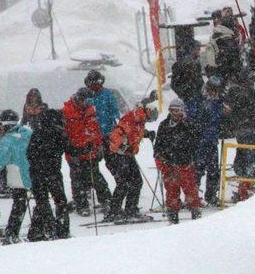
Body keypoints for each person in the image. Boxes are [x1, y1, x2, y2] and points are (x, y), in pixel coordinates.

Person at [104, 100, 158, 221]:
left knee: (136, 181)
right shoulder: (133, 118)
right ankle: (115, 211)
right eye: (150, 119)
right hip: (117, 155)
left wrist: (146, 133)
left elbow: (134, 132)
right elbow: (115, 135)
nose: (149, 122)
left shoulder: (139, 119)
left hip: (127, 154)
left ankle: (130, 209)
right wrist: (123, 147)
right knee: (124, 183)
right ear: (148, 113)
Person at [63, 87, 112, 216]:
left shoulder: (91, 110)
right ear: (79, 99)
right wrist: (70, 149)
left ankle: (106, 200)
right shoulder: (67, 111)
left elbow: (96, 130)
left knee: (96, 176)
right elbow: (63, 134)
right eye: (86, 101)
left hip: (90, 151)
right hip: (74, 152)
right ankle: (82, 204)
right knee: (77, 179)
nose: (88, 104)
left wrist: (99, 146)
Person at [154, 99, 202, 223]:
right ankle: (173, 219)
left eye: (178, 110)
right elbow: (158, 144)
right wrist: (158, 157)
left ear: (182, 111)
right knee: (171, 193)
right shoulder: (164, 125)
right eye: (172, 110)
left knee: (191, 191)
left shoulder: (188, 124)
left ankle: (196, 217)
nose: (175, 113)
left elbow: (197, 139)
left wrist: (187, 124)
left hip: (185, 163)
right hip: (169, 164)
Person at [26, 109, 69, 241]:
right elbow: (69, 149)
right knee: (60, 201)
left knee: (42, 202)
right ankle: (60, 230)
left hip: (36, 173)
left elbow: (29, 154)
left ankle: (37, 231)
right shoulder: (59, 134)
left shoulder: (36, 134)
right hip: (53, 173)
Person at [0, 110, 32, 244]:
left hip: (16, 176)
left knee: (19, 203)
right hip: (31, 173)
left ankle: (12, 233)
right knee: (35, 201)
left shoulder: (7, 140)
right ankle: (42, 227)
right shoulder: (28, 134)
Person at [225, 71, 255, 199]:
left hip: (244, 128)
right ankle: (246, 186)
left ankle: (244, 183)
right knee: (250, 156)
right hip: (247, 128)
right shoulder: (242, 93)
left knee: (244, 154)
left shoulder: (237, 93)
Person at [188, 76, 224, 205]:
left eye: (215, 90)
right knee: (197, 169)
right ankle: (193, 196)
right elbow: (191, 117)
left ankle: (211, 195)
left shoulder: (218, 102)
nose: (213, 93)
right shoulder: (197, 100)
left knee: (214, 170)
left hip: (212, 141)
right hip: (199, 141)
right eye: (211, 89)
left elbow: (219, 120)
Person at [206, 9, 242, 83]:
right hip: (225, 76)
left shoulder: (216, 35)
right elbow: (231, 61)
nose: (216, 20)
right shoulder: (226, 39)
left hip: (217, 74)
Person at [171, 38, 204, 107]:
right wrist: (184, 94)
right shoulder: (181, 64)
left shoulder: (196, 63)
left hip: (195, 96)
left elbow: (199, 79)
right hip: (188, 98)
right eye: (197, 49)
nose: (199, 51)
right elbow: (174, 84)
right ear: (191, 50)